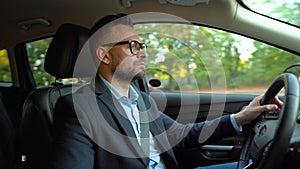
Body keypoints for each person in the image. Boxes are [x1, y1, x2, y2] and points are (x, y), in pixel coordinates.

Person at [47, 13, 282, 169]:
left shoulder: (140, 99)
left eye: (142, 46)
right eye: (133, 46)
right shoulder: (78, 108)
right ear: (104, 55)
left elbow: (183, 134)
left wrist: (242, 116)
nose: (143, 53)